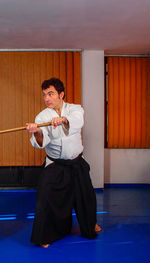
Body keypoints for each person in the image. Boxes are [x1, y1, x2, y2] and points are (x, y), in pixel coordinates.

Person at [26, 78, 100, 248]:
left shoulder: (75, 109)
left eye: (51, 94)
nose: (47, 98)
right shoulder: (42, 116)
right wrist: (37, 131)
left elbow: (77, 122)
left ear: (61, 94)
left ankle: (90, 224)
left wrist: (64, 120)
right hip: (55, 164)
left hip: (76, 162)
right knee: (45, 197)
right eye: (44, 95)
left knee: (87, 196)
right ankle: (45, 235)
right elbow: (41, 142)